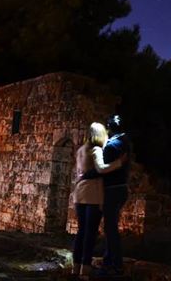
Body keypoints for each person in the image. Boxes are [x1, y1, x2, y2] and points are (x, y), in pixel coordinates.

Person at [71, 122, 125, 277]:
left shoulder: (81, 149)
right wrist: (119, 162)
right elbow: (101, 169)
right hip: (92, 195)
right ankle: (85, 269)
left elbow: (82, 172)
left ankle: (75, 267)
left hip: (79, 193)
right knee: (90, 233)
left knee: (81, 232)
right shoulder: (96, 149)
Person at [99, 114, 131, 276]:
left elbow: (103, 168)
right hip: (119, 188)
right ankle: (109, 260)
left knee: (111, 228)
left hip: (113, 189)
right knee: (110, 227)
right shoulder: (124, 142)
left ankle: (115, 263)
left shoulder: (112, 145)